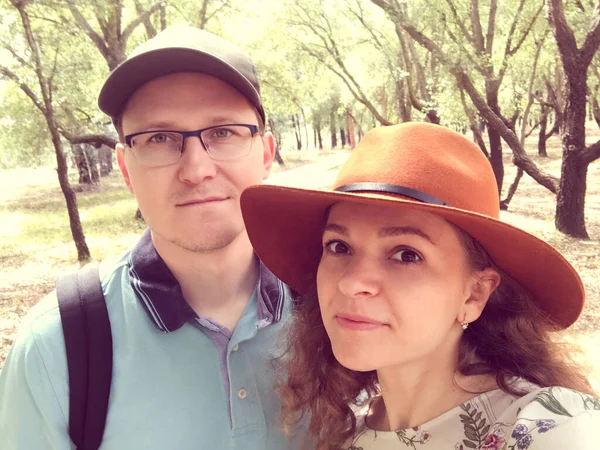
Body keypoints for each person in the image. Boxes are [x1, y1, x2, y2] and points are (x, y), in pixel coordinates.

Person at [0, 25, 308, 449]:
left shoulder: (337, 310)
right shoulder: (55, 351)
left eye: (223, 133)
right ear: (126, 170)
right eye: (159, 138)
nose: (197, 170)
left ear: (266, 153)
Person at [240, 122, 600, 450]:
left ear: (474, 294)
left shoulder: (546, 429)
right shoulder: (342, 433)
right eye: (339, 246)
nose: (351, 282)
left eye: (406, 255)